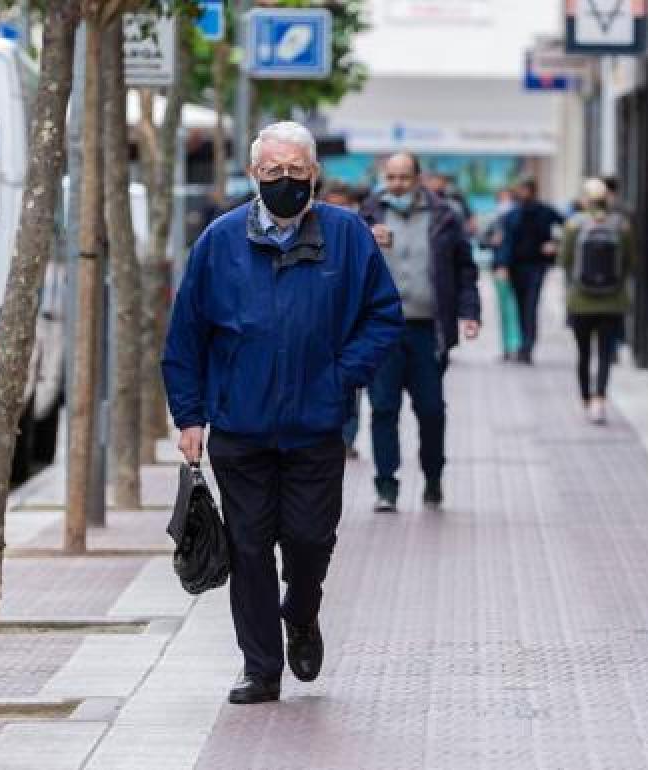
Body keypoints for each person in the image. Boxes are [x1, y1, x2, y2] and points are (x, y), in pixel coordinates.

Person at [163, 121, 403, 705]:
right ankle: (261, 667)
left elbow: (383, 317)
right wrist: (189, 416)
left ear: (314, 173)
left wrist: (341, 377)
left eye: (297, 170)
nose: (286, 181)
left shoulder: (347, 237)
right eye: (273, 172)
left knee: (308, 540)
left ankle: (302, 610)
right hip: (240, 428)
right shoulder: (219, 241)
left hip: (316, 427)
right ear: (253, 175)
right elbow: (186, 336)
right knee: (248, 546)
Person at [361, 153, 481, 514]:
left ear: (418, 178)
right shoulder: (368, 215)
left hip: (429, 329)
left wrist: (469, 313)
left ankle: (433, 476)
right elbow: (341, 262)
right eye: (391, 177)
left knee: (430, 409)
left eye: (403, 177)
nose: (396, 184)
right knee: (382, 407)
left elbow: (465, 268)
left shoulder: (444, 215)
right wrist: (364, 239)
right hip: (381, 330)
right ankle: (386, 484)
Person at [558, 179, 633, 425]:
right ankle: (600, 399)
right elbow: (631, 262)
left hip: (580, 301)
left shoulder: (573, 224)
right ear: (607, 199)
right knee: (604, 352)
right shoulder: (621, 225)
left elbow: (564, 261)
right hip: (612, 301)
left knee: (583, 353)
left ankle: (586, 399)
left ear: (586, 199)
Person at [321, 179, 367, 459]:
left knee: (351, 385)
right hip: (323, 327)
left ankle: (347, 438)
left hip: (352, 325)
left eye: (343, 205)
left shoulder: (358, 234)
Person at [494, 177, 563, 364]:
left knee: (530, 307)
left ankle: (527, 347)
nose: (522, 193)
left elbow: (566, 225)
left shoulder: (545, 211)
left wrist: (555, 244)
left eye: (525, 189)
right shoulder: (512, 214)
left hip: (536, 267)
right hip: (516, 267)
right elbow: (506, 242)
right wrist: (503, 265)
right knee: (518, 308)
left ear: (533, 191)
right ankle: (520, 345)